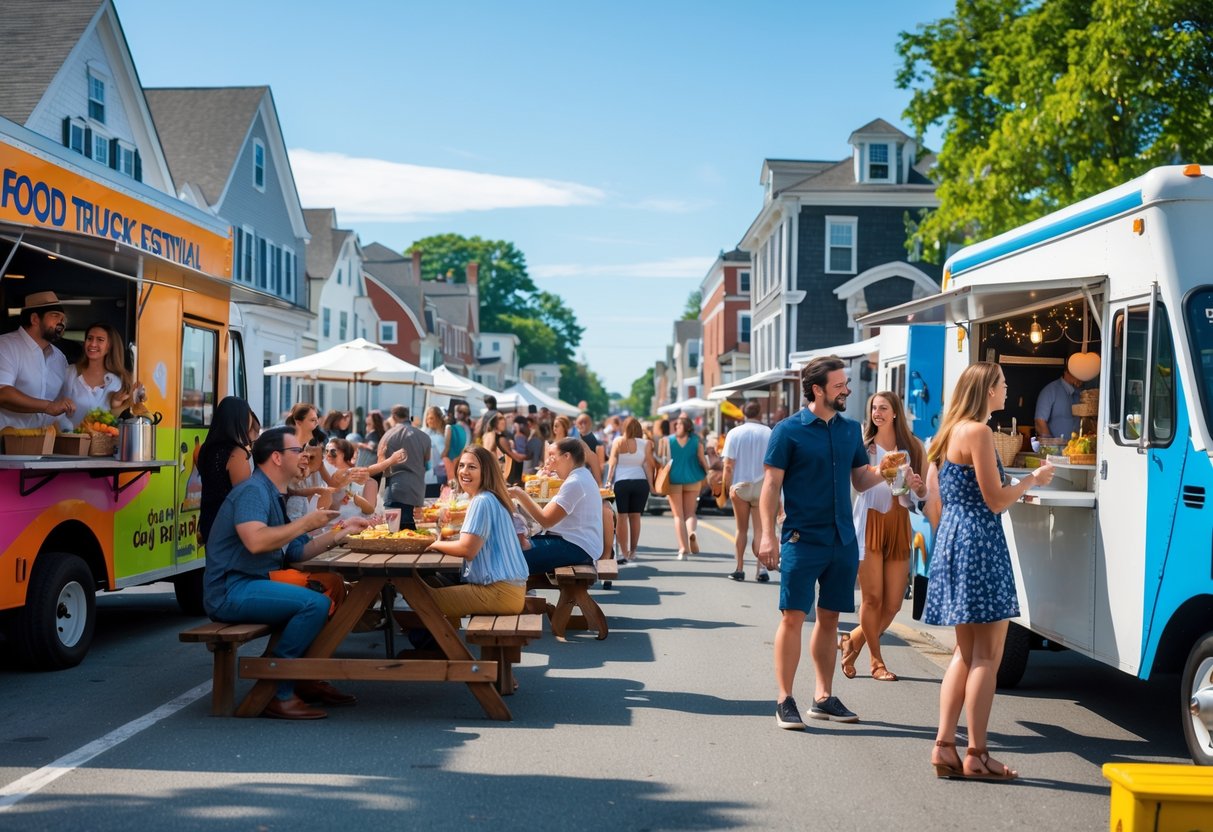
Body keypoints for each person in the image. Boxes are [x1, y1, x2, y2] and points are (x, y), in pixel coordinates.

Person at [924, 362, 1055, 780]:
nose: (1006, 389)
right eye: (1002, 384)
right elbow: (996, 499)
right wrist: (1032, 479)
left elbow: (941, 498)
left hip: (954, 539)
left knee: (964, 653)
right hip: (980, 542)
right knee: (987, 656)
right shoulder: (978, 432)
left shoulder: (946, 433)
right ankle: (977, 754)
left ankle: (945, 746)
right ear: (986, 391)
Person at [203, 425, 370, 719]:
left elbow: (296, 552)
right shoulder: (253, 492)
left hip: (256, 582)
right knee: (314, 603)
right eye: (298, 451)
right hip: (231, 589)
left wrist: (342, 532)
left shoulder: (272, 492)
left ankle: (305, 677)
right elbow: (255, 542)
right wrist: (306, 524)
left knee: (332, 584)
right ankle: (277, 690)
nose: (305, 456)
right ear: (277, 458)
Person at [757, 355, 887, 729]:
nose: (847, 389)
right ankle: (784, 700)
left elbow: (860, 479)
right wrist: (767, 534)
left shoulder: (850, 430)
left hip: (842, 539)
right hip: (801, 537)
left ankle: (823, 697)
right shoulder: (787, 430)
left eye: (845, 383)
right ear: (817, 390)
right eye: (839, 384)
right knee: (793, 618)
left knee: (830, 619)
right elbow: (770, 486)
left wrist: (887, 470)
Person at [839, 392, 927, 682]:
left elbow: (920, 494)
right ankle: (877, 663)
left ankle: (852, 640)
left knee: (893, 604)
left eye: (883, 408)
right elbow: (861, 485)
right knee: (872, 599)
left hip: (899, 522)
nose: (877, 412)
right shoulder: (864, 446)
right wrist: (884, 467)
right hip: (869, 522)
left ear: (895, 413)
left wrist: (916, 486)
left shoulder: (913, 446)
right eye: (873, 407)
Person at [425, 445, 530, 617]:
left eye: (472, 467)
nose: (464, 471)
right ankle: (443, 641)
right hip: (510, 590)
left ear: (486, 472)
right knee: (432, 582)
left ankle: (445, 643)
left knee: (422, 599)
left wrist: (435, 543)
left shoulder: (481, 500)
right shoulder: (491, 497)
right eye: (462, 465)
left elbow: (467, 550)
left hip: (499, 593)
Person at [510, 437, 603, 574]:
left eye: (552, 455)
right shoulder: (579, 476)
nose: (549, 461)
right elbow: (544, 516)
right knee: (511, 550)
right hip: (578, 544)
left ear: (566, 456)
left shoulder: (575, 482)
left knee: (508, 560)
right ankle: (523, 591)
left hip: (577, 547)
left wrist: (519, 493)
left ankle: (517, 593)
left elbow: (546, 520)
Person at [0, 291, 87, 430]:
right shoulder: (5, 346)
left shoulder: (59, 358)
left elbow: (60, 405)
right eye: (55, 316)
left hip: (45, 447)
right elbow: (3, 393)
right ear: (35, 319)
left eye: (63, 318)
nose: (61, 322)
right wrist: (48, 406)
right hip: (6, 446)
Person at [719, 401, 773, 582]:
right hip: (761, 485)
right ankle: (762, 570)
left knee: (741, 529)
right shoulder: (768, 432)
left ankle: (740, 568)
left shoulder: (734, 433)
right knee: (760, 530)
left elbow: (728, 465)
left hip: (740, 486)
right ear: (760, 414)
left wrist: (726, 488)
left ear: (743, 413)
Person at [57, 322, 142, 430]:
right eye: (89, 338)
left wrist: (118, 403)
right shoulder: (69, 373)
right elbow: (53, 410)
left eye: (100, 340)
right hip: (70, 443)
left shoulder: (119, 381)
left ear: (109, 346)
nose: (92, 344)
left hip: (104, 445)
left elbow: (118, 421)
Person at [198, 396, 257, 546]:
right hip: (228, 526)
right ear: (240, 419)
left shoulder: (204, 449)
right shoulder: (237, 453)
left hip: (208, 520)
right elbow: (244, 495)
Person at [606, 416, 654, 564]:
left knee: (622, 517)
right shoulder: (646, 443)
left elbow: (612, 462)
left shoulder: (618, 441)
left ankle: (624, 552)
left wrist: (608, 480)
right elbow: (649, 466)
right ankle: (633, 551)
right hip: (640, 482)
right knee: (635, 517)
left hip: (622, 482)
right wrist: (652, 485)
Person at [379, 405, 429, 529]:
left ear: (394, 416)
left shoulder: (388, 435)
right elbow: (427, 460)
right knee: (412, 535)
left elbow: (380, 464)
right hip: (417, 491)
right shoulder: (424, 436)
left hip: (395, 490)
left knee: (395, 535)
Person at [667, 416, 708, 560]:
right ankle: (691, 531)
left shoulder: (669, 441)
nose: (676, 426)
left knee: (678, 515)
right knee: (690, 513)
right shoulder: (696, 442)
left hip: (673, 479)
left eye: (678, 424)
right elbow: (702, 460)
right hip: (693, 478)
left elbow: (663, 460)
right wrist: (708, 474)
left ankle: (683, 549)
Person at [324, 437, 377, 523]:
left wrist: (354, 497)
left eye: (333, 451)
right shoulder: (324, 478)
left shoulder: (368, 481)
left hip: (355, 529)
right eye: (326, 451)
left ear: (344, 454)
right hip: (327, 529)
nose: (328, 455)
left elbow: (370, 512)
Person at [1034, 365, 1083, 439]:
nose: (1079, 377)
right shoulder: (1050, 391)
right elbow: (1039, 422)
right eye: (1076, 373)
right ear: (1066, 372)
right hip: (1057, 449)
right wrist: (1052, 447)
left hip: (1078, 448)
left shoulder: (1081, 393)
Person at [422, 406, 448, 499]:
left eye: (432, 418)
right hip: (426, 477)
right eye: (428, 418)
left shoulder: (445, 434)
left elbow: (447, 456)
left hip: (440, 476)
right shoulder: (423, 433)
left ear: (439, 418)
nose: (429, 421)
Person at [576, 412, 605, 482]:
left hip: (592, 479)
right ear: (576, 424)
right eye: (580, 423)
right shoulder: (575, 441)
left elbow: (601, 468)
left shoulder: (598, 444)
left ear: (590, 424)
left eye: (585, 422)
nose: (582, 425)